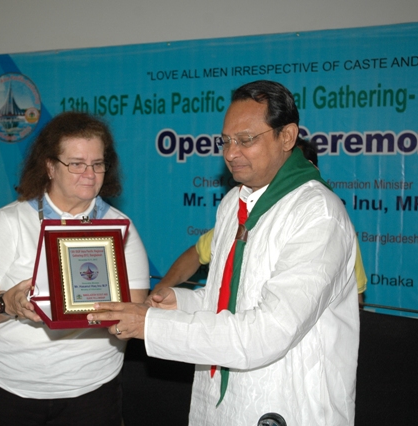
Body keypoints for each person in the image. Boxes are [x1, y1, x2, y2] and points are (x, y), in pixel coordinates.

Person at [89, 80, 360, 425]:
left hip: (286, 404)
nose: (231, 153)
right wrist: (181, 302)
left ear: (287, 137)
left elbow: (269, 331)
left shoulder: (317, 214)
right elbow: (231, 297)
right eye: (226, 141)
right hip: (223, 401)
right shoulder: (234, 202)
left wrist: (151, 325)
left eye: (246, 140)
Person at [0, 111, 150, 426]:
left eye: (97, 163)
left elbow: (133, 314)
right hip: (8, 387)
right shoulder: (11, 222)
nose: (89, 174)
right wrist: (7, 303)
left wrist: (117, 318)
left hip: (92, 389)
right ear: (50, 166)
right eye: (76, 164)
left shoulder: (121, 229)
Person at [152, 138, 368, 302]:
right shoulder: (244, 213)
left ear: (310, 169)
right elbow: (200, 259)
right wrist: (160, 292)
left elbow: (352, 298)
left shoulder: (327, 220)